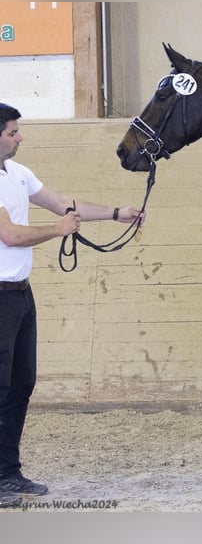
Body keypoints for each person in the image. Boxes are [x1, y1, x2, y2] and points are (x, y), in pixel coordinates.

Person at [0, 102, 145, 503]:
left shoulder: (18, 174)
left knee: (20, 384)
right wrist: (57, 230)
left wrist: (117, 213)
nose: (19, 137)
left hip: (18, 294)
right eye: (12, 132)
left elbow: (66, 203)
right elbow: (9, 235)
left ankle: (7, 473)